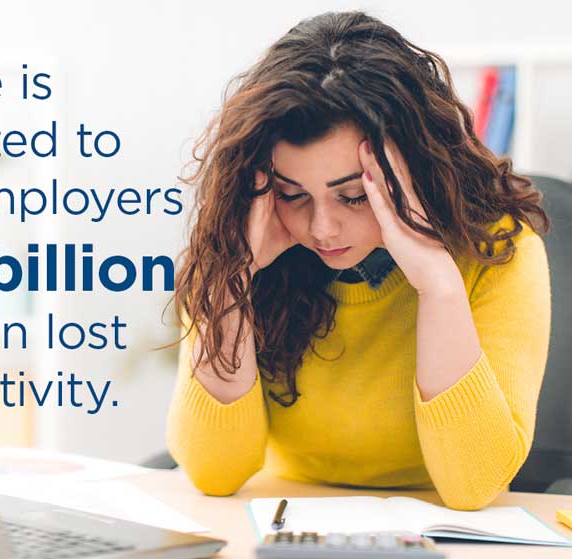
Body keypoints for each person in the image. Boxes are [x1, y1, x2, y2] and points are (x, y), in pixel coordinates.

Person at [165, 11, 551, 511]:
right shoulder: (238, 253)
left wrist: (438, 285)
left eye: (353, 196)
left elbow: (474, 485)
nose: (322, 229)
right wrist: (230, 284)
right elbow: (214, 473)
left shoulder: (499, 251)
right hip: (283, 525)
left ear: (419, 170)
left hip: (443, 541)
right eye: (292, 194)